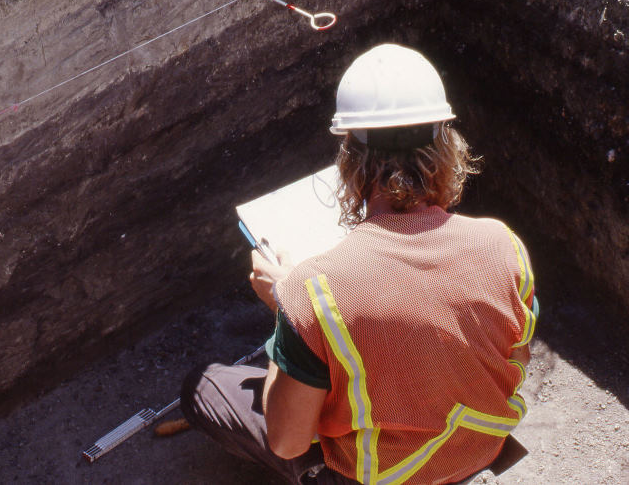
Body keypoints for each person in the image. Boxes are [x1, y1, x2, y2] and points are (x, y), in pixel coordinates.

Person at [180, 44, 537, 485]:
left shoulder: (312, 290)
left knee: (205, 387)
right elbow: (511, 357)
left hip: (381, 476)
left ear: (350, 162)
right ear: (448, 148)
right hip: (477, 452)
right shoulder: (506, 246)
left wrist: (286, 312)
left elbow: (288, 441)